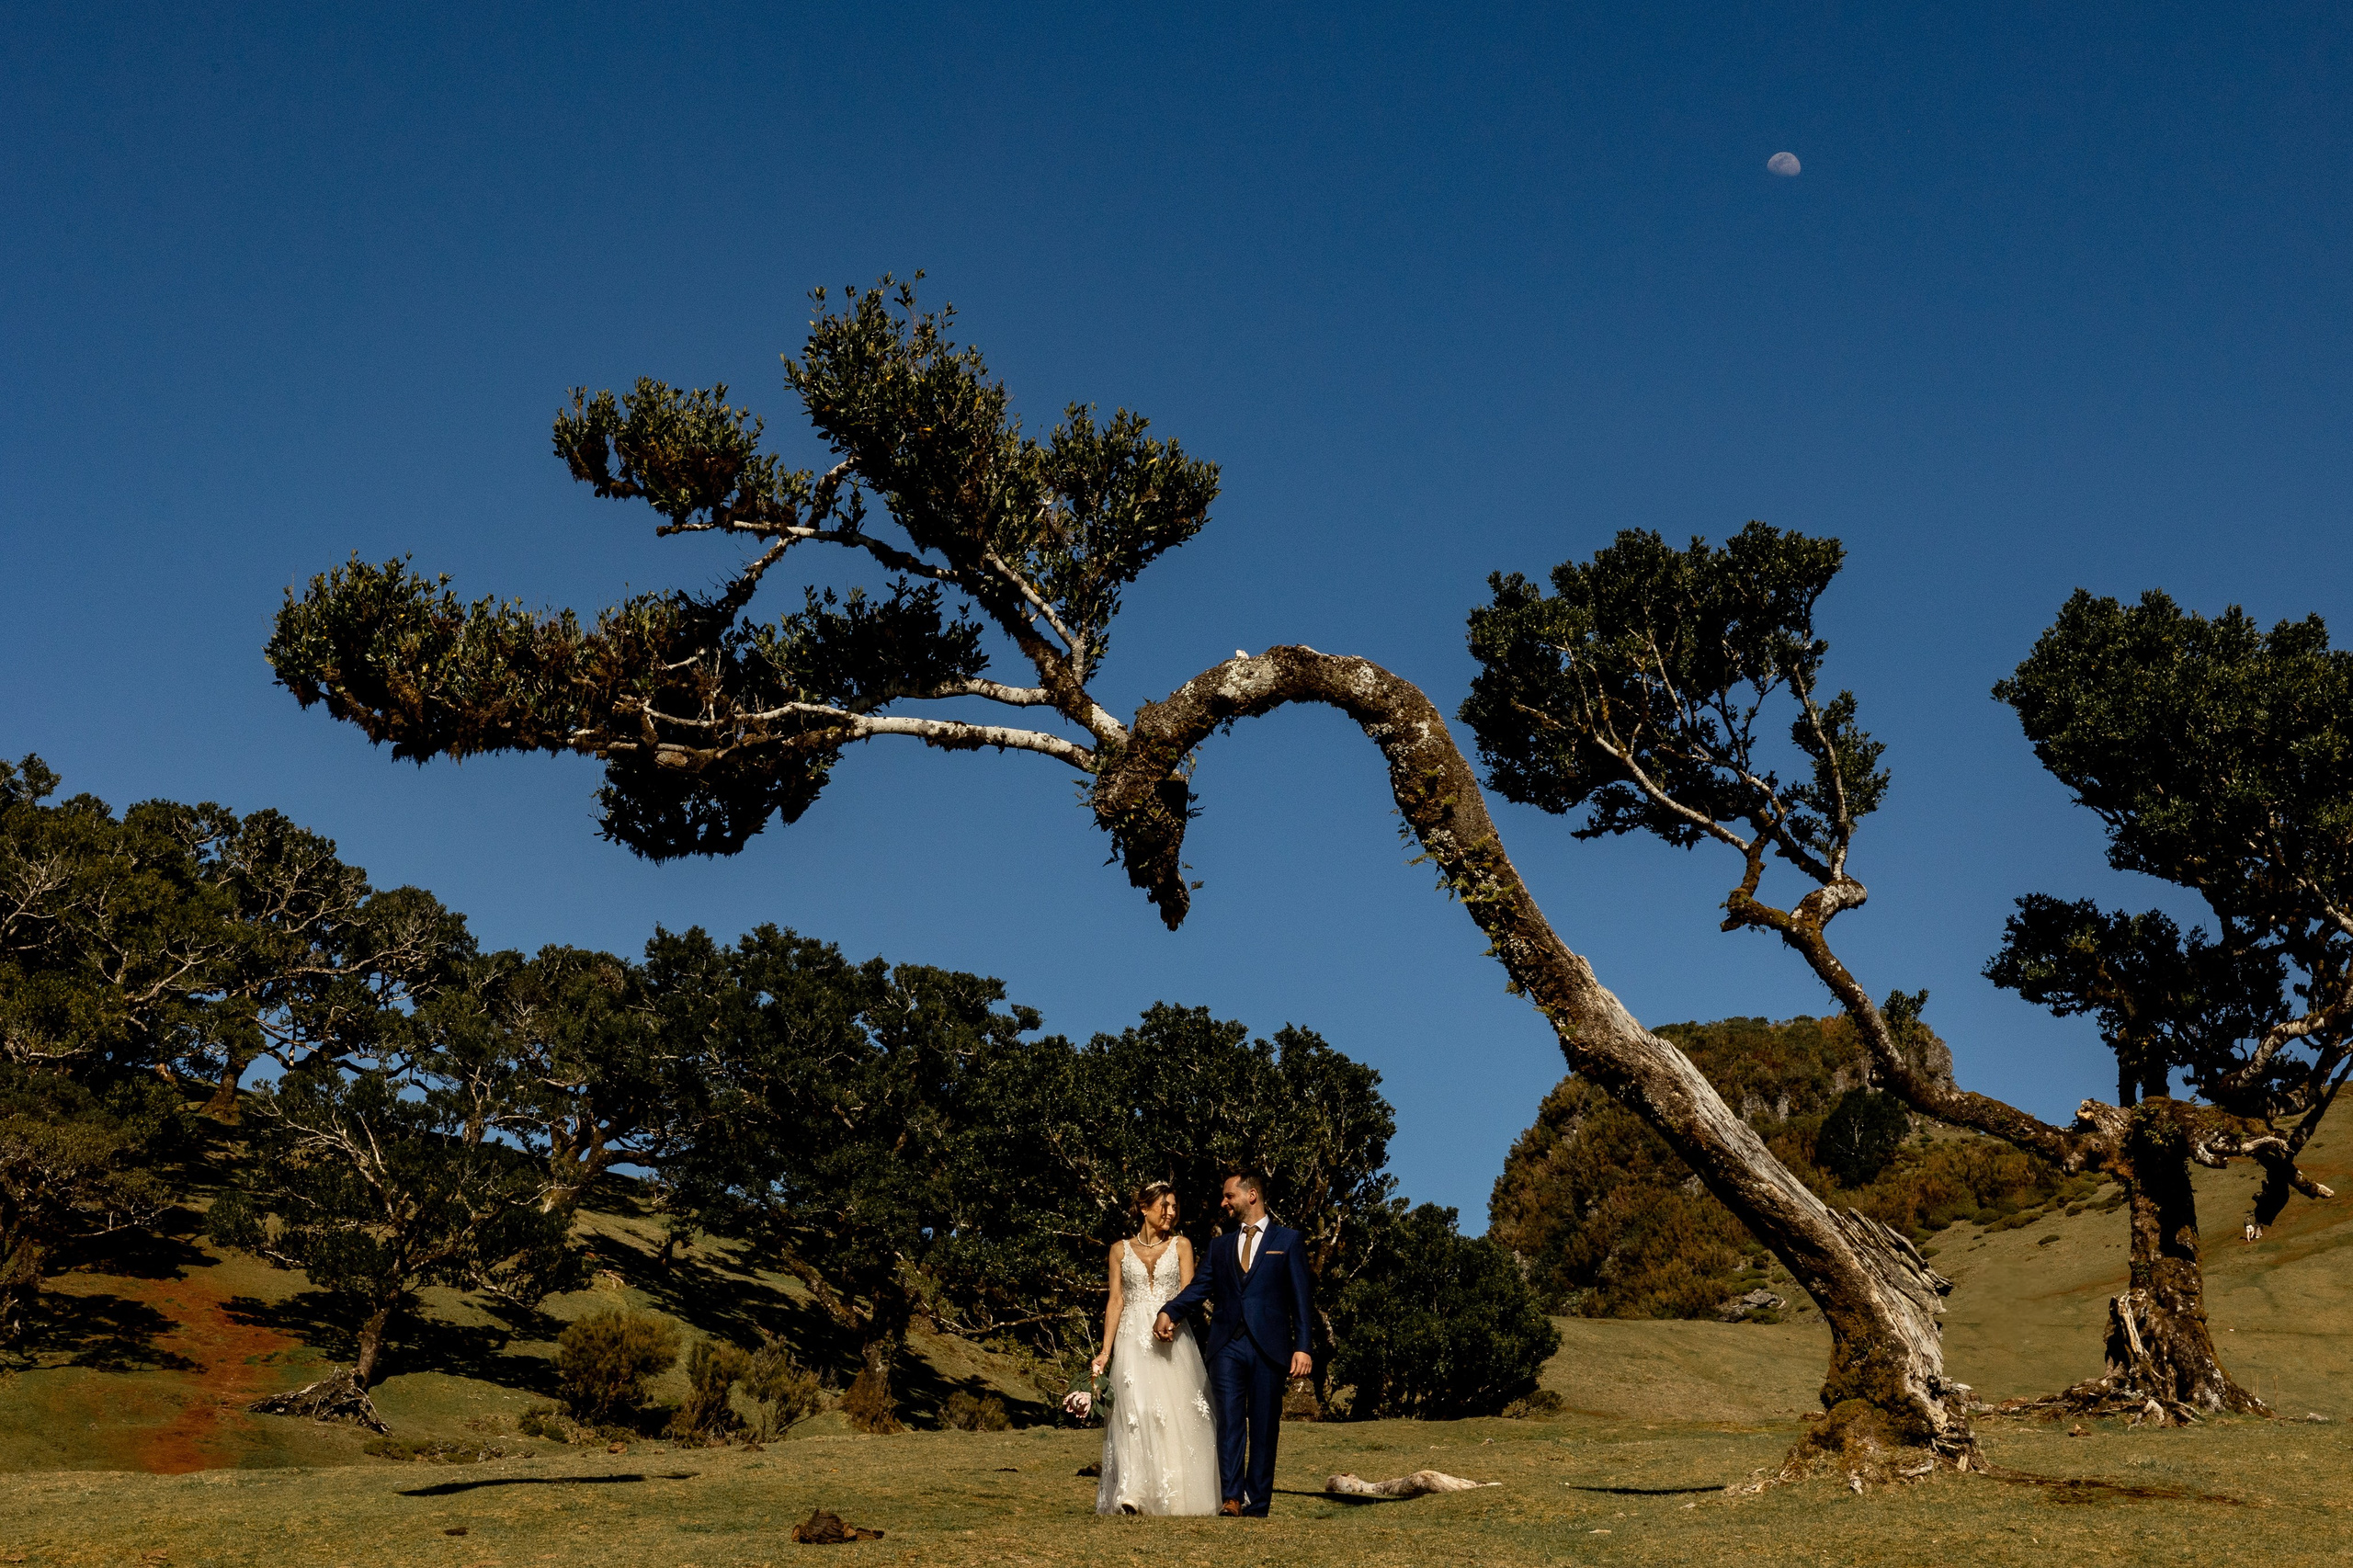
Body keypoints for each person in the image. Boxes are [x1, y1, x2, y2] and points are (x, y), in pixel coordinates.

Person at [1154, 1171, 1313, 1517]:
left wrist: (1303, 1346)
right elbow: (1200, 1288)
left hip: (1270, 1349)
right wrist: (1169, 1310)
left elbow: (1302, 1300)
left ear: (1251, 1195)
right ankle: (1231, 1498)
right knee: (1228, 1422)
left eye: (1229, 1196)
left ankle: (1258, 1504)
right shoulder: (1220, 1246)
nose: (1223, 1203)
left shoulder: (1288, 1240)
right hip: (1226, 1346)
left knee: (1265, 1427)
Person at [1089, 1181, 1220, 1515]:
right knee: (1136, 1411)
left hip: (1171, 1333)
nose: (1172, 1213)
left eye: (1175, 1207)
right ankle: (1132, 1491)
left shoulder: (1182, 1245)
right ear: (1144, 1208)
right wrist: (1105, 1352)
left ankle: (1177, 1493)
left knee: (1176, 1412)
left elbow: (1189, 1292)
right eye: (1165, 1206)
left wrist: (1173, 1321)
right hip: (1132, 1337)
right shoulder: (1119, 1250)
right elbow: (1115, 1301)